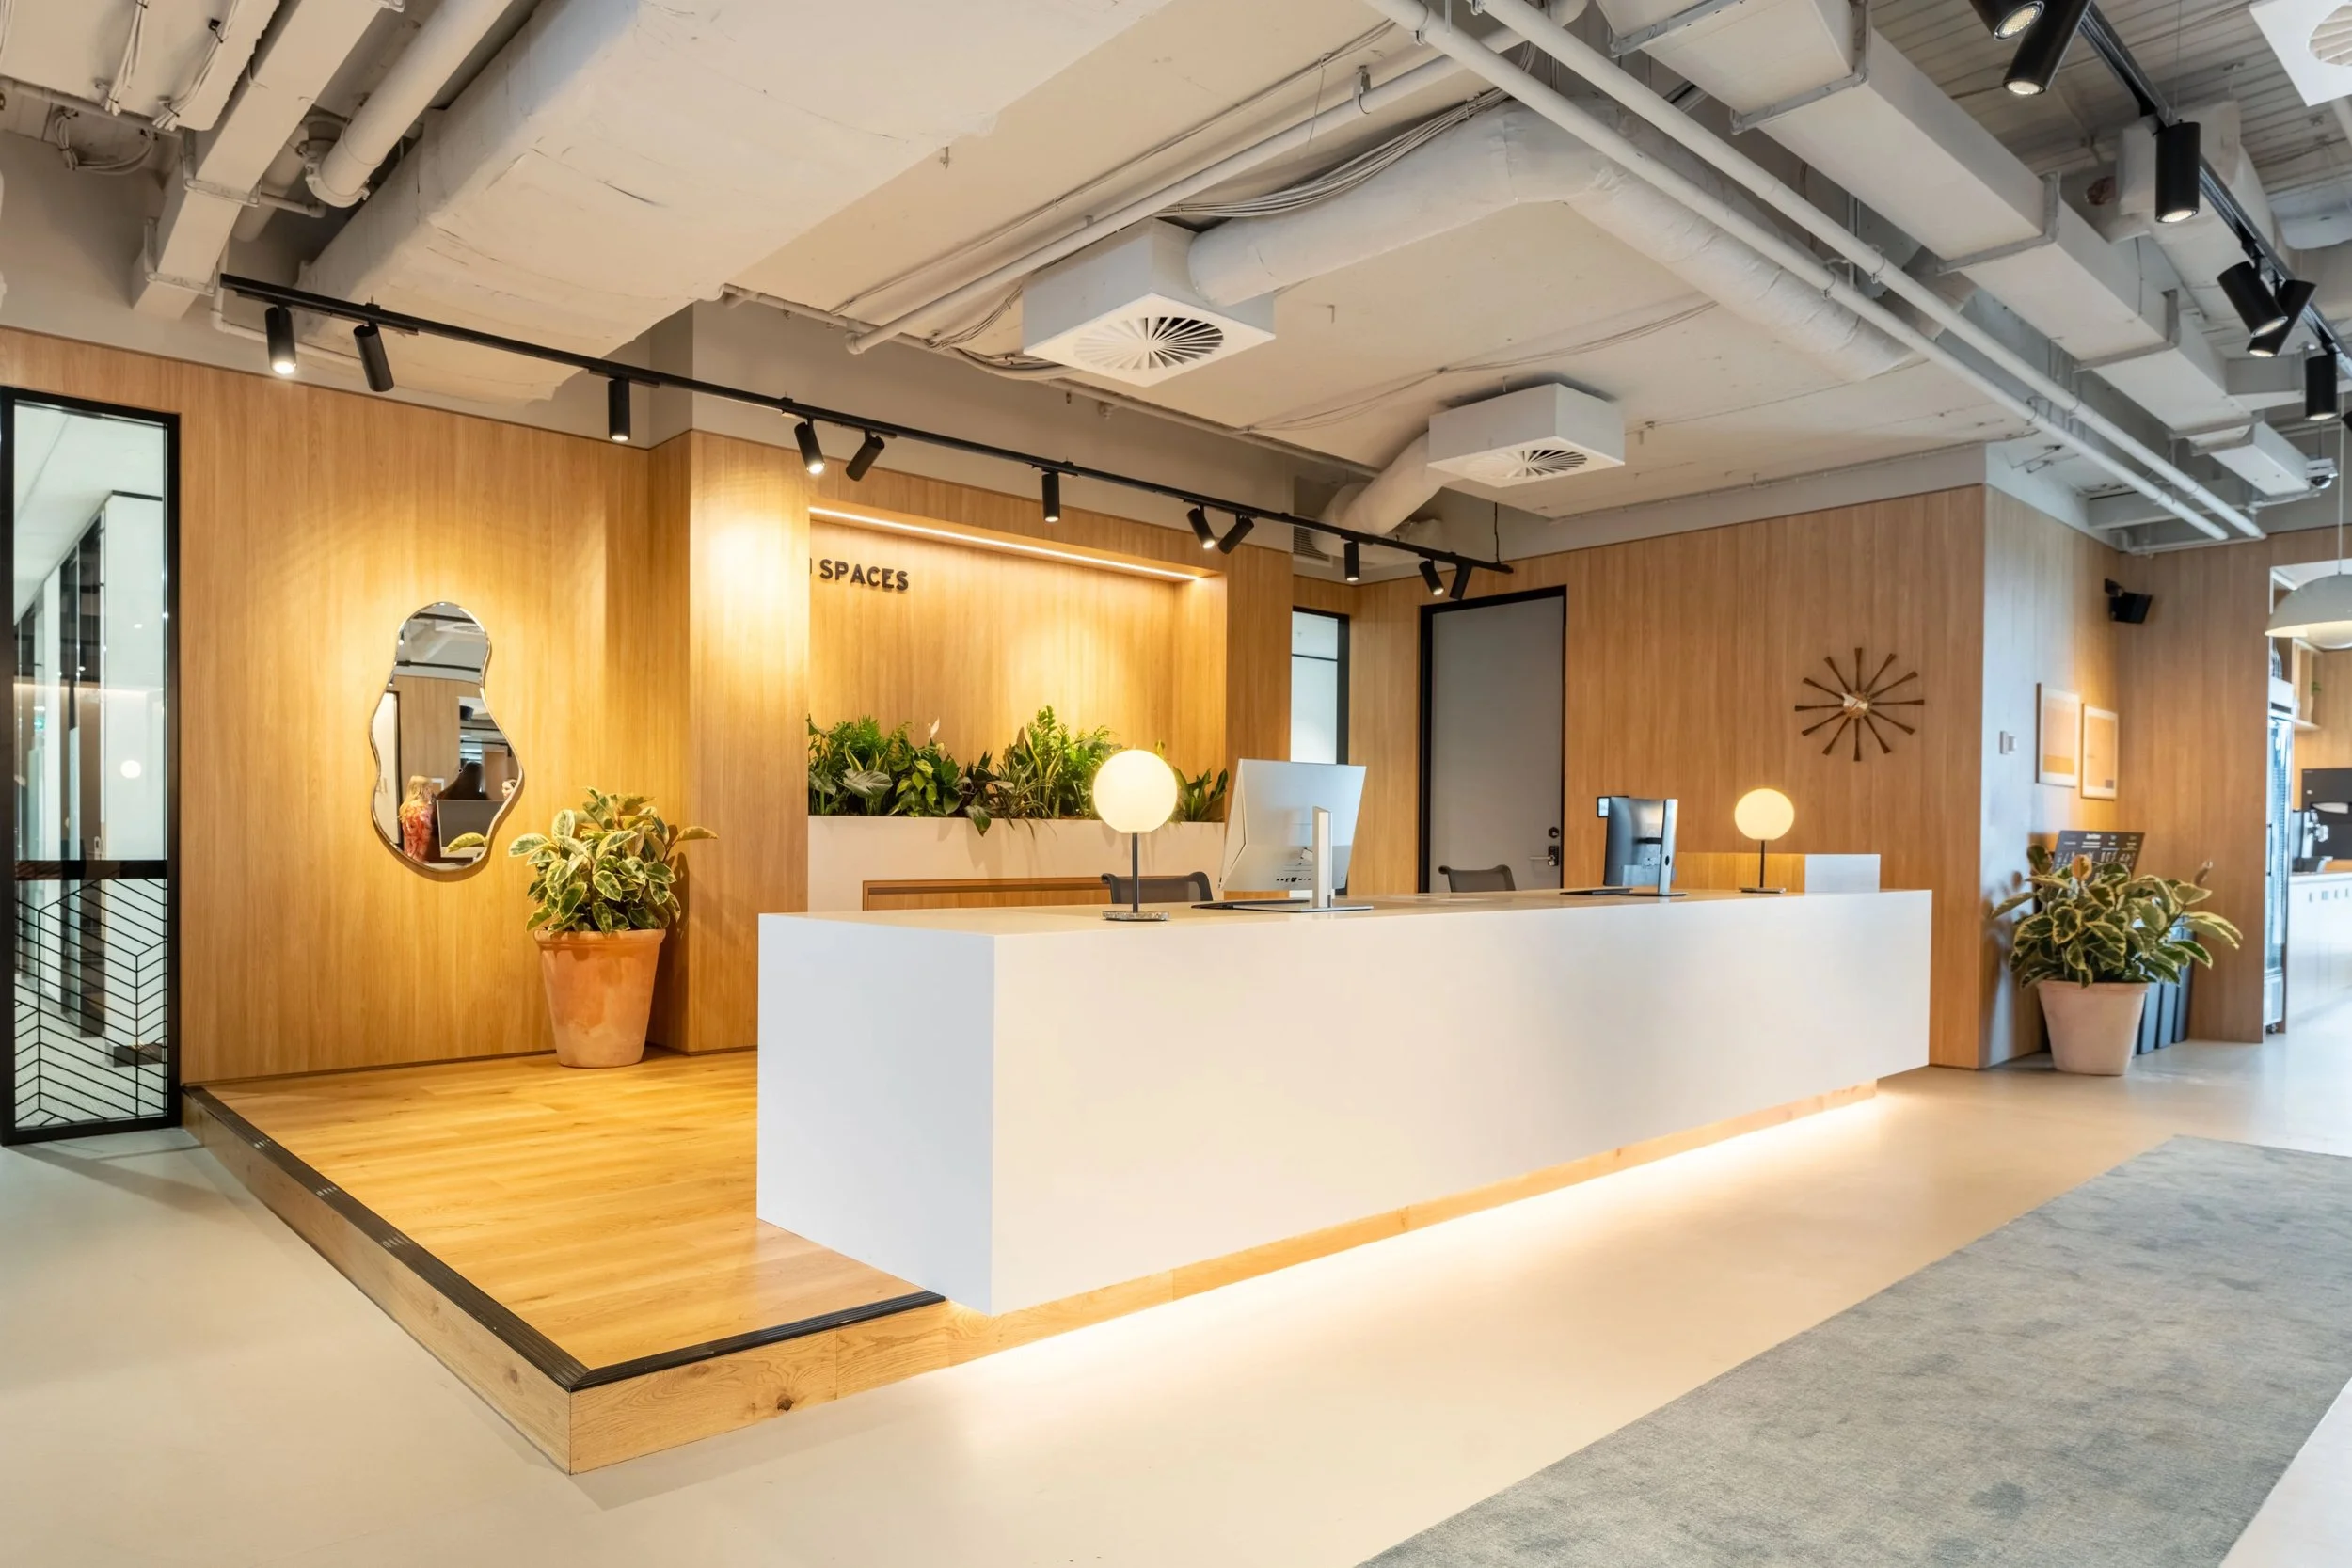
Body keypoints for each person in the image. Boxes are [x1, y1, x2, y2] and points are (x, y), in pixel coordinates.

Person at [398, 775, 436, 861]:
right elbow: (428, 833)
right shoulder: (419, 809)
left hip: (411, 853)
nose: (431, 792)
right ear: (420, 790)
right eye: (428, 788)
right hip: (422, 855)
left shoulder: (408, 807)